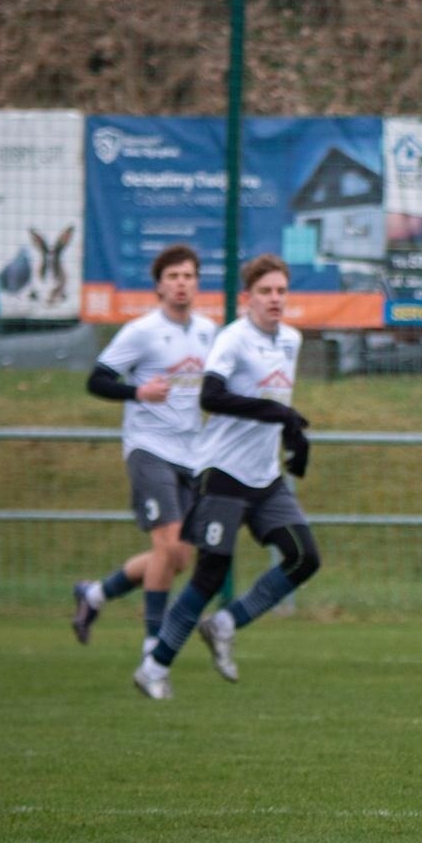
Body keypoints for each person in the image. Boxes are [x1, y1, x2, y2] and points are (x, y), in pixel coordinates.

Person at [133, 253, 319, 699]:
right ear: (246, 298)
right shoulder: (233, 340)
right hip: (222, 472)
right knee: (210, 574)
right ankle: (154, 668)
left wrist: (293, 436)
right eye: (265, 291)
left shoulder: (291, 340)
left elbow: (274, 405)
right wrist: (279, 413)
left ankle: (224, 623)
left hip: (265, 477)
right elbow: (211, 397)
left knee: (303, 557)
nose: (275, 299)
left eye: (281, 291)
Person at [72, 245, 216, 657]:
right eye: (173, 277)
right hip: (149, 448)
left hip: (191, 453)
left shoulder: (208, 332)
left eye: (188, 276)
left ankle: (95, 595)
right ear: (159, 286)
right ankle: (154, 642)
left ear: (197, 283)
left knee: (179, 557)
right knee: (167, 546)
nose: (181, 284)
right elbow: (97, 380)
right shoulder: (142, 331)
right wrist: (138, 392)